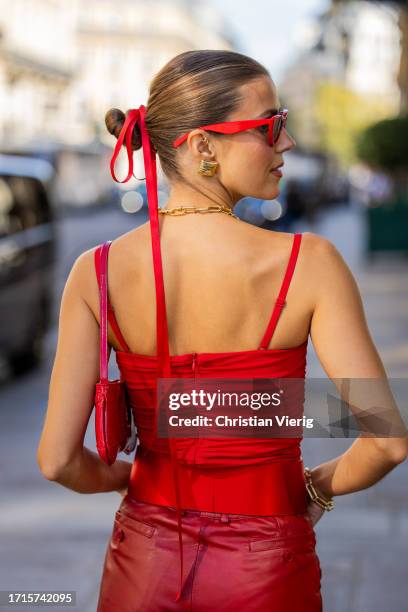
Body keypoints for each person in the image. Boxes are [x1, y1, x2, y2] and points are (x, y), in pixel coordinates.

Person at [37, 50, 408, 612]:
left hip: (144, 563)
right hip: (268, 568)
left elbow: (58, 460)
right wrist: (314, 488)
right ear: (203, 145)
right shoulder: (309, 263)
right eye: (271, 126)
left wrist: (131, 484)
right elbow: (386, 439)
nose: (286, 144)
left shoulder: (97, 272)